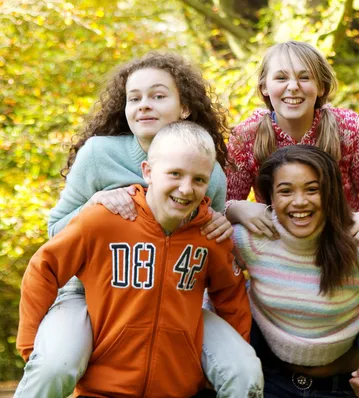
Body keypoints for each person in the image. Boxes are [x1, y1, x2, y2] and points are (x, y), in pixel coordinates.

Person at [15, 53, 263, 398]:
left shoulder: (212, 171)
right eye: (135, 98)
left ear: (185, 107)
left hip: (173, 295)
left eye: (158, 96)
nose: (145, 105)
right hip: (88, 290)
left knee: (242, 370)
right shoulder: (98, 154)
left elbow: (203, 249)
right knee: (54, 364)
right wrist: (93, 205)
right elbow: (56, 232)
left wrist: (222, 225)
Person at [224, 40, 359, 396]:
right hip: (282, 266)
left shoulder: (347, 128)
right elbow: (215, 206)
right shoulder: (249, 134)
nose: (293, 87)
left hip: (346, 263)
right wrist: (237, 207)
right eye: (280, 77)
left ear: (322, 86)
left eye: (304, 77)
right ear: (264, 87)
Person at [232, 145, 359, 397]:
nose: (300, 201)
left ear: (330, 194)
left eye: (312, 189)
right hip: (271, 377)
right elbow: (209, 276)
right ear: (270, 197)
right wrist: (232, 208)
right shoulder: (250, 239)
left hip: (340, 383)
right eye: (285, 191)